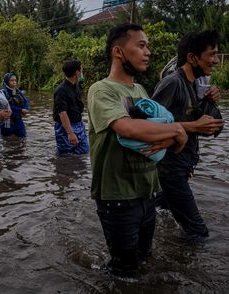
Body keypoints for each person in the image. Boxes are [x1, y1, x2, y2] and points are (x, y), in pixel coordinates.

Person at [87, 23, 188, 277]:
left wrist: (173, 135)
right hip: (117, 196)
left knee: (145, 259)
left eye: (148, 46)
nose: (148, 52)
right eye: (141, 45)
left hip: (146, 191)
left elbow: (155, 129)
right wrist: (177, 131)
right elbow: (127, 128)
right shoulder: (101, 89)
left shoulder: (140, 90)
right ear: (119, 52)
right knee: (125, 272)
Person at [151, 31, 224, 242]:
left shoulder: (195, 85)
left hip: (181, 168)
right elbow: (148, 125)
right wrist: (193, 126)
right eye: (211, 54)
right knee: (198, 233)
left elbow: (210, 127)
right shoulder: (172, 83)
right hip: (170, 171)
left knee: (156, 211)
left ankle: (160, 242)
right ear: (192, 58)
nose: (216, 61)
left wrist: (208, 102)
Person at [53, 60, 89, 155]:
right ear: (77, 73)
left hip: (78, 124)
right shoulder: (61, 90)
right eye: (81, 70)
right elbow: (62, 113)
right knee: (66, 155)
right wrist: (70, 133)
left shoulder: (76, 87)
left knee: (83, 152)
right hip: (65, 127)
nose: (82, 72)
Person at [0, 72, 29, 141]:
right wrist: (21, 110)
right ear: (7, 81)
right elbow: (6, 105)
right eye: (11, 80)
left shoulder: (18, 91)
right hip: (7, 121)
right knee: (6, 140)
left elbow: (26, 101)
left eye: (15, 80)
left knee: (23, 138)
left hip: (18, 119)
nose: (14, 82)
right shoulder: (2, 93)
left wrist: (26, 109)